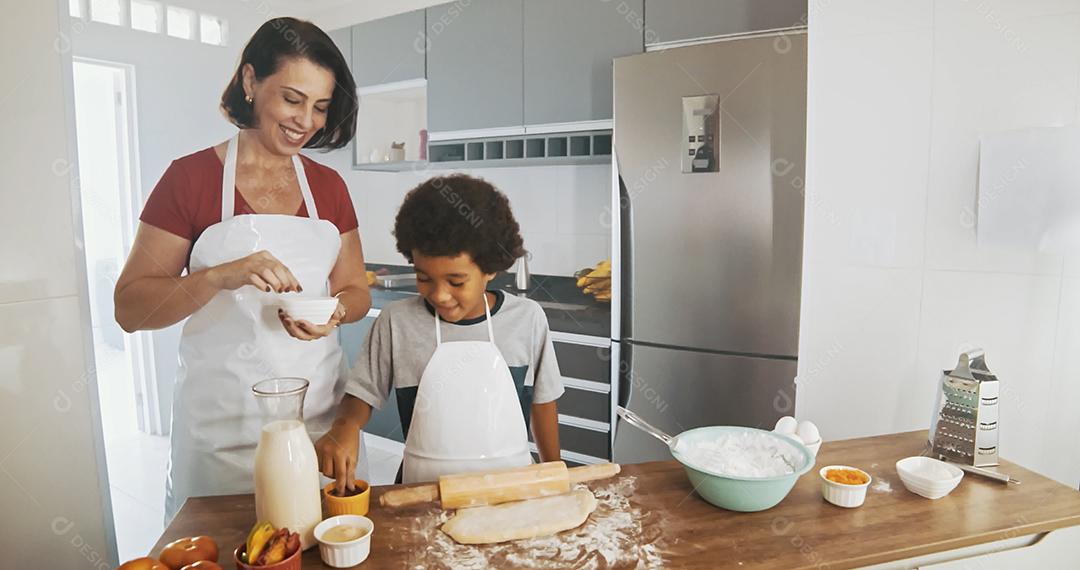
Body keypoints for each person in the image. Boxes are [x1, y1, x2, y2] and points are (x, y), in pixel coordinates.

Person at [113, 17, 371, 521]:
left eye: (320, 107)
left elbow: (355, 289)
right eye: (292, 99)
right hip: (220, 435)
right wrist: (218, 276)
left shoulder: (330, 188)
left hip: (314, 424)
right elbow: (129, 308)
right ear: (250, 82)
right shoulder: (190, 179)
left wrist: (335, 313)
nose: (307, 121)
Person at [315, 174, 563, 492]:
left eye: (456, 281)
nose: (440, 294)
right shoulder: (398, 321)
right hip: (420, 489)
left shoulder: (527, 319)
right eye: (423, 277)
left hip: (511, 490)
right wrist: (344, 426)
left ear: (490, 268)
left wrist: (555, 474)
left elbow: (543, 402)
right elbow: (361, 393)